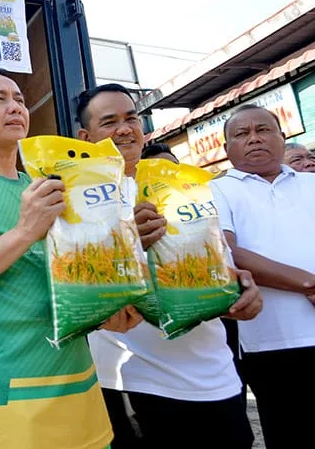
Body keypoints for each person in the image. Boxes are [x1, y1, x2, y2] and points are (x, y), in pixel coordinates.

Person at [0, 69, 141, 449]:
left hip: (78, 383)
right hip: (3, 398)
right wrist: (23, 232)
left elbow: (72, 282)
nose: (15, 106)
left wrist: (107, 311)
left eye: (19, 99)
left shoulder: (46, 186)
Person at [81, 84, 262, 449]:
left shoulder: (188, 187)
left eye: (131, 118)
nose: (124, 129)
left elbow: (216, 267)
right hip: (135, 383)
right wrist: (127, 241)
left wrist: (242, 291)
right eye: (109, 122)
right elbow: (78, 292)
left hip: (217, 378)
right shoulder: (77, 198)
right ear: (86, 137)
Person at [210, 104, 315, 449]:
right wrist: (307, 282)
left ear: (283, 137)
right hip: (272, 341)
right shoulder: (216, 191)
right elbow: (226, 251)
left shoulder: (311, 183)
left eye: (263, 130)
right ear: (226, 148)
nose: (254, 138)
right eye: (242, 134)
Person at [140, 141, 247, 409]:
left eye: (172, 169)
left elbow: (225, 260)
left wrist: (242, 289)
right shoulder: (132, 206)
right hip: (144, 379)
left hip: (216, 367)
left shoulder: (201, 199)